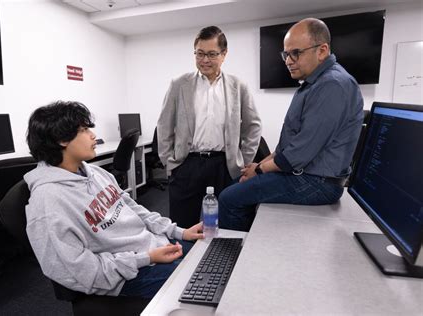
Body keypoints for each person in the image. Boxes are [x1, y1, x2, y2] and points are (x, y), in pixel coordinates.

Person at [24, 101, 204, 299]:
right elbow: (81, 271)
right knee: (200, 284)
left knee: (208, 255)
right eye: (84, 130)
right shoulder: (47, 203)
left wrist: (178, 231)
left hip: (151, 247)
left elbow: (131, 207)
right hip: (125, 273)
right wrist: (145, 258)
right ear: (61, 140)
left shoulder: (94, 172)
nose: (93, 135)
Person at [219, 18, 364, 231]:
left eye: (295, 53)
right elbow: (287, 146)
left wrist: (259, 169)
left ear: (322, 50)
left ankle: (229, 261)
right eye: (286, 54)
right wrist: (258, 166)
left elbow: (298, 153)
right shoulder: (312, 85)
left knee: (228, 199)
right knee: (236, 185)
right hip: (304, 173)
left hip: (318, 183)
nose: (288, 61)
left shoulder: (332, 85)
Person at [157, 25, 262, 228]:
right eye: (200, 54)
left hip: (224, 165)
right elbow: (164, 125)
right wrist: (169, 163)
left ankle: (219, 260)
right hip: (187, 164)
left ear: (224, 54)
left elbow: (253, 125)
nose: (205, 60)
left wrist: (244, 160)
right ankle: (185, 259)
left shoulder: (237, 85)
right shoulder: (179, 84)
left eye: (212, 54)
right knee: (182, 226)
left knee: (224, 225)